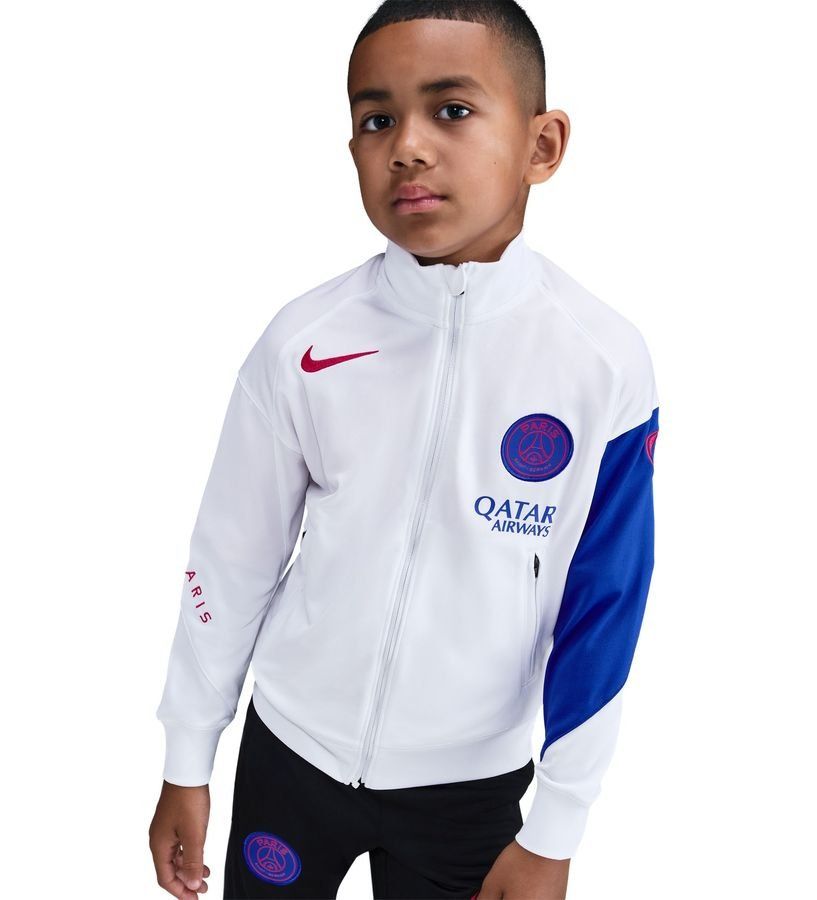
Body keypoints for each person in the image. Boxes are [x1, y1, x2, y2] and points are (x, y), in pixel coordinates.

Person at [148, 2, 661, 898]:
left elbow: (605, 605)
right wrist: (188, 757)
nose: (408, 148)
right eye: (377, 119)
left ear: (542, 145)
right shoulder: (304, 341)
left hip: (470, 787)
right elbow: (230, 560)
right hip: (293, 751)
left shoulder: (601, 361)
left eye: (452, 110)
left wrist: (557, 828)